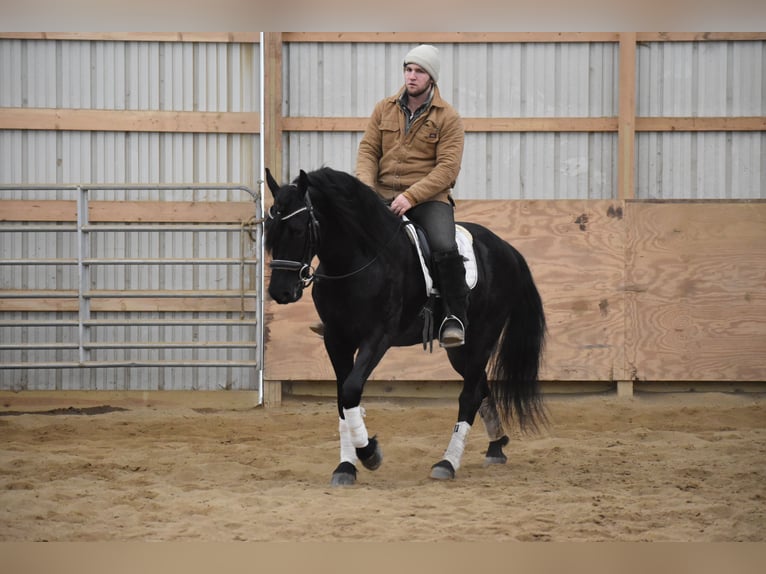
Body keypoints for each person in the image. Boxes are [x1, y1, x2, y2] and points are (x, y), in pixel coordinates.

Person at [311, 44, 469, 348]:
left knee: (443, 245)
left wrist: (411, 197)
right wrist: (366, 191)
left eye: (419, 71)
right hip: (380, 195)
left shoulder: (448, 117)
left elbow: (447, 168)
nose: (411, 76)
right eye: (408, 70)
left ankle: (453, 316)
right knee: (342, 237)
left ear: (431, 78)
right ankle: (335, 312)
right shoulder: (384, 108)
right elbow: (369, 150)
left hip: (428, 199)